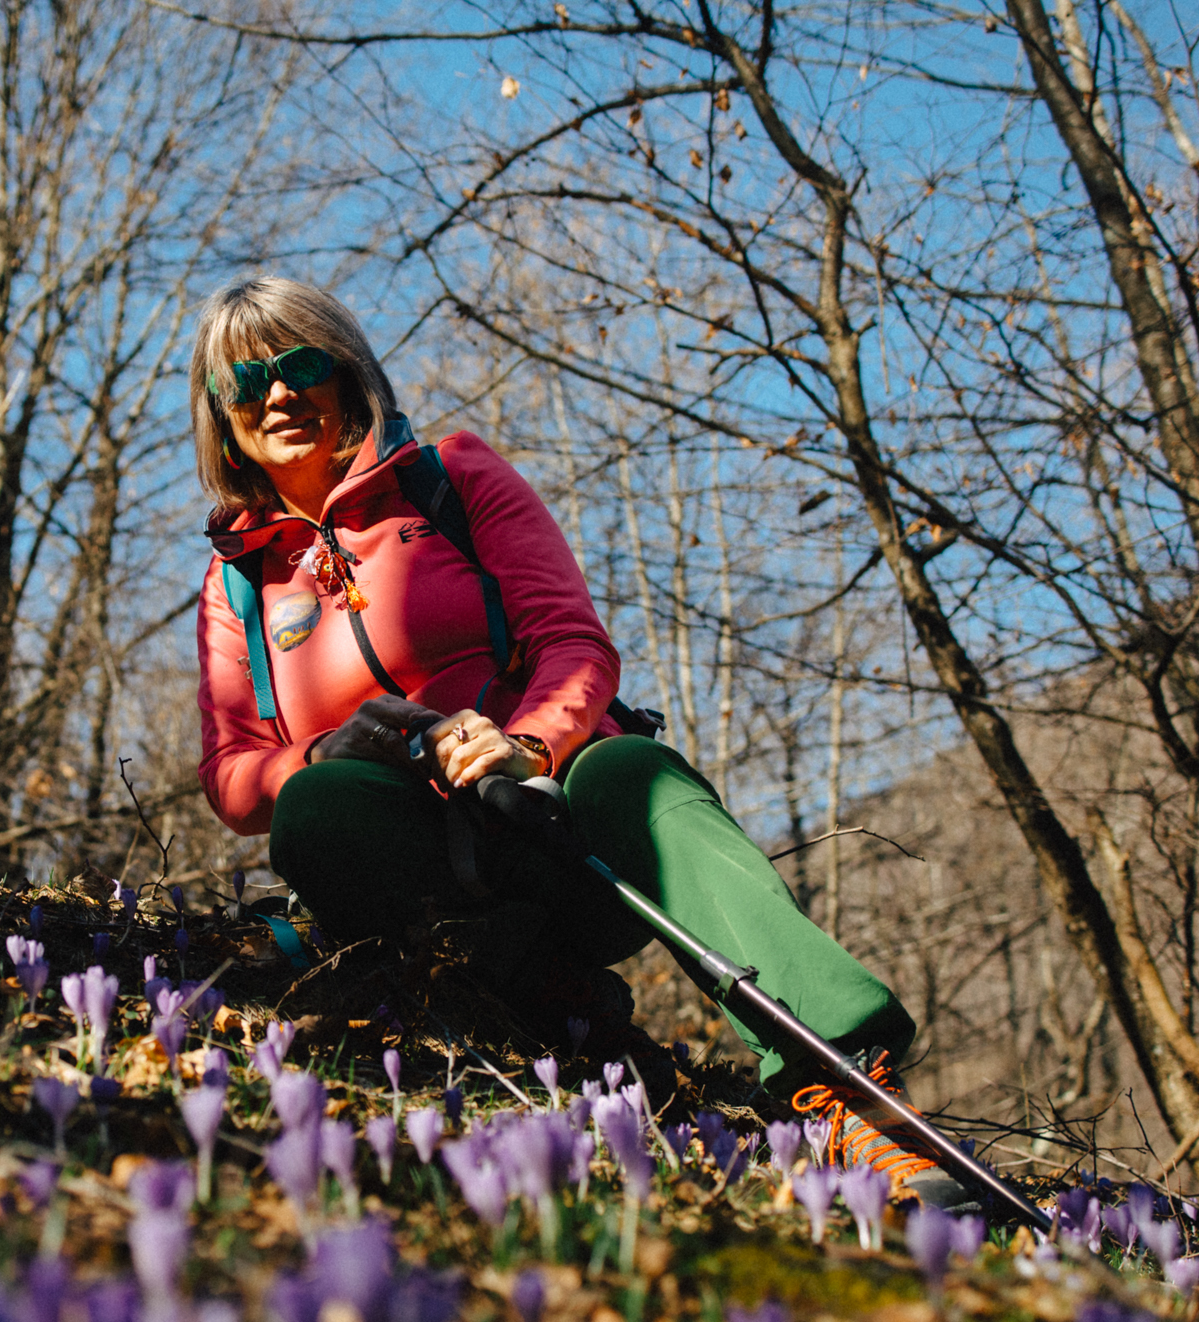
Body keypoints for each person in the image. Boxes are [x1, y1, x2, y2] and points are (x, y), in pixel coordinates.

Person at [188, 275, 950, 1197]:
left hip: (556, 827)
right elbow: (232, 775)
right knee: (314, 806)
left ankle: (843, 1088)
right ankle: (544, 1008)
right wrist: (331, 749)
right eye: (246, 380)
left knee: (634, 773)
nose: (277, 393)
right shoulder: (235, 584)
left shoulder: (453, 480)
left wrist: (529, 744)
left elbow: (572, 642)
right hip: (423, 870)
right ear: (222, 419)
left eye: (300, 365)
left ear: (347, 378)